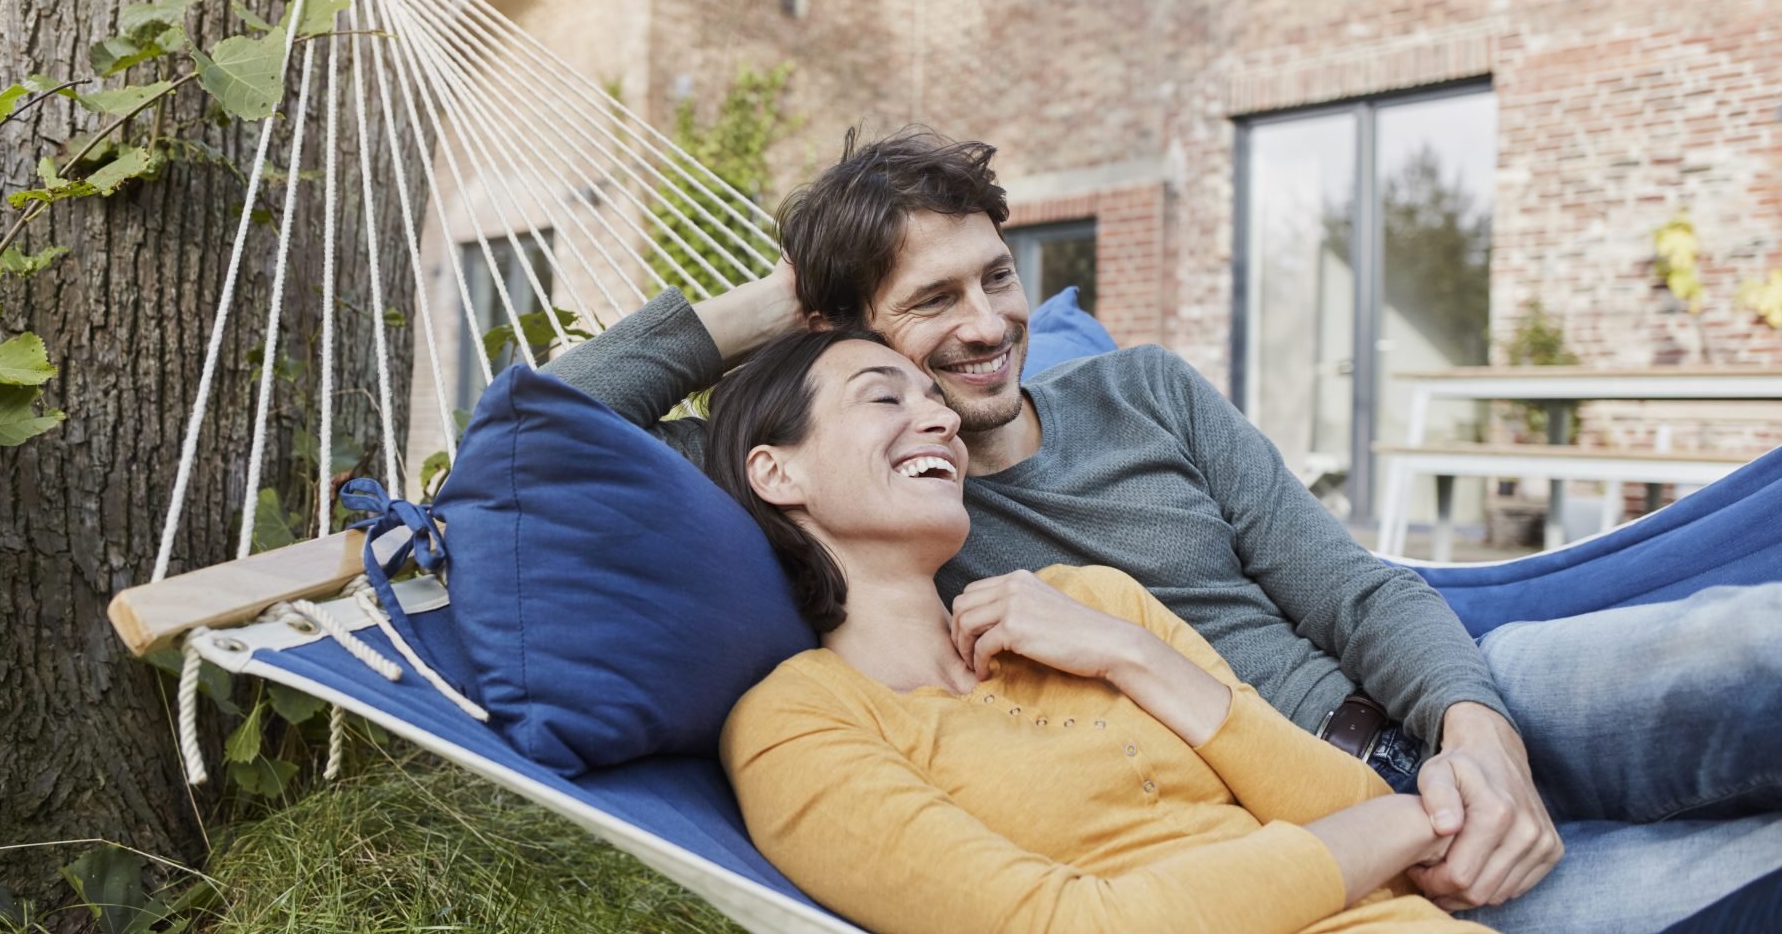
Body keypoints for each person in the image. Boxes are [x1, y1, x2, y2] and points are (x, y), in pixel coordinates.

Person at [545, 129, 1782, 932]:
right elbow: (555, 430)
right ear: (847, 340)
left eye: (997, 276)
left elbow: (1353, 589)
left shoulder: (1146, 392)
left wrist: (1480, 736)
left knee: (1750, 647)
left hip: (1442, 698)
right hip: (1311, 842)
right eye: (930, 301)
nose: (986, 326)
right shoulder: (882, 502)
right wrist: (784, 307)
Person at [706, 326, 1485, 934]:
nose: (941, 418)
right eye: (885, 399)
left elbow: (1351, 816)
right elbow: (1069, 926)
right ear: (776, 472)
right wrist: (1407, 818)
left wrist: (1131, 654)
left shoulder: (1089, 603)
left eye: (934, 400)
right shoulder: (798, 723)